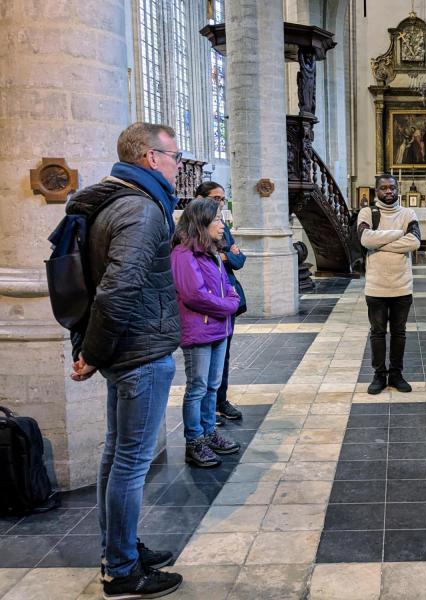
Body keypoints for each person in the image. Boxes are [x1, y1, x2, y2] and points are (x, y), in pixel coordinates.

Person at [68, 122, 183, 597]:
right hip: (138, 350)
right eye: (174, 155)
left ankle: (121, 547)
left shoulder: (115, 200)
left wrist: (92, 349)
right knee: (130, 463)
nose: (178, 164)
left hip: (124, 349)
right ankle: (121, 568)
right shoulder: (141, 208)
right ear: (150, 158)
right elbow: (119, 289)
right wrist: (91, 352)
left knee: (117, 456)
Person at [171, 199, 241, 468]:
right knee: (197, 387)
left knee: (212, 385)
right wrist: (227, 307)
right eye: (217, 221)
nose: (222, 226)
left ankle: (209, 433)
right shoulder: (183, 254)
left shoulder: (212, 251)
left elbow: (227, 283)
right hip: (199, 329)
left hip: (219, 328)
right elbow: (193, 295)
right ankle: (194, 441)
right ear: (202, 223)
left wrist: (231, 300)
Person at [358, 174, 421, 395]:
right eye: (384, 188)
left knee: (398, 332)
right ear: (377, 191)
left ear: (397, 189)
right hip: (376, 285)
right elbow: (365, 239)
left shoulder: (408, 213)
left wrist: (380, 243)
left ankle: (396, 374)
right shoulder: (368, 213)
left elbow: (414, 241)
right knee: (377, 333)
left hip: (402, 285)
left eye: (392, 188)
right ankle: (378, 375)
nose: (389, 192)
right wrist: (396, 235)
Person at [194, 182, 247, 422]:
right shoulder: (191, 230)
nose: (220, 204)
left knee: (222, 355)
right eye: (216, 199)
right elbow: (196, 262)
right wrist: (222, 256)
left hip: (227, 299)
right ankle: (204, 412)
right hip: (206, 304)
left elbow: (239, 259)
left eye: (223, 199)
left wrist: (221, 255)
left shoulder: (222, 227)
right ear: (200, 198)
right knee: (202, 363)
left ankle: (220, 400)